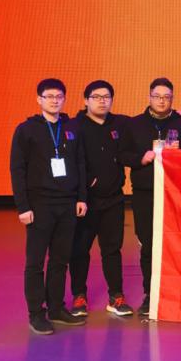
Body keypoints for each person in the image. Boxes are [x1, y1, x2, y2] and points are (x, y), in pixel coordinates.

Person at [9, 79, 88, 335]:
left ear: (64, 99)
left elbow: (80, 163)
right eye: (49, 96)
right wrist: (23, 206)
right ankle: (36, 313)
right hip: (39, 205)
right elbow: (17, 169)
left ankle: (56, 308)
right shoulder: (26, 130)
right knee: (35, 262)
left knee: (60, 260)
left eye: (59, 96)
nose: (54, 100)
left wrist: (81, 197)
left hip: (67, 204)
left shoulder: (71, 127)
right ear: (39, 99)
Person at [120, 78, 181, 318]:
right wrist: (141, 158)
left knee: (177, 245)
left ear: (172, 99)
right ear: (149, 97)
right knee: (148, 245)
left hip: (175, 194)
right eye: (157, 96)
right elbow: (122, 155)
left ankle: (177, 293)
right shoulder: (134, 124)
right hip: (145, 194)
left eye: (166, 97)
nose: (161, 101)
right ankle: (151, 295)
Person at [66, 80, 133, 319]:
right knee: (79, 250)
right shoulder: (74, 126)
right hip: (85, 202)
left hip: (114, 200)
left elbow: (147, 121)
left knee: (112, 250)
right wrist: (84, 188)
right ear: (86, 100)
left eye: (106, 97)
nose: (102, 101)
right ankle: (79, 296)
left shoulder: (120, 123)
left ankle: (116, 297)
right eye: (96, 97)